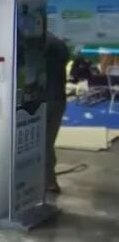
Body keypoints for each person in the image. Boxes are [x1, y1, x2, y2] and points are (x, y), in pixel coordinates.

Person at [44, 32, 70, 193]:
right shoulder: (60, 43)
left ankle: (45, 182)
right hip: (58, 98)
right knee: (47, 142)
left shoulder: (41, 43)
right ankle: (49, 181)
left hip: (44, 100)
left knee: (42, 144)